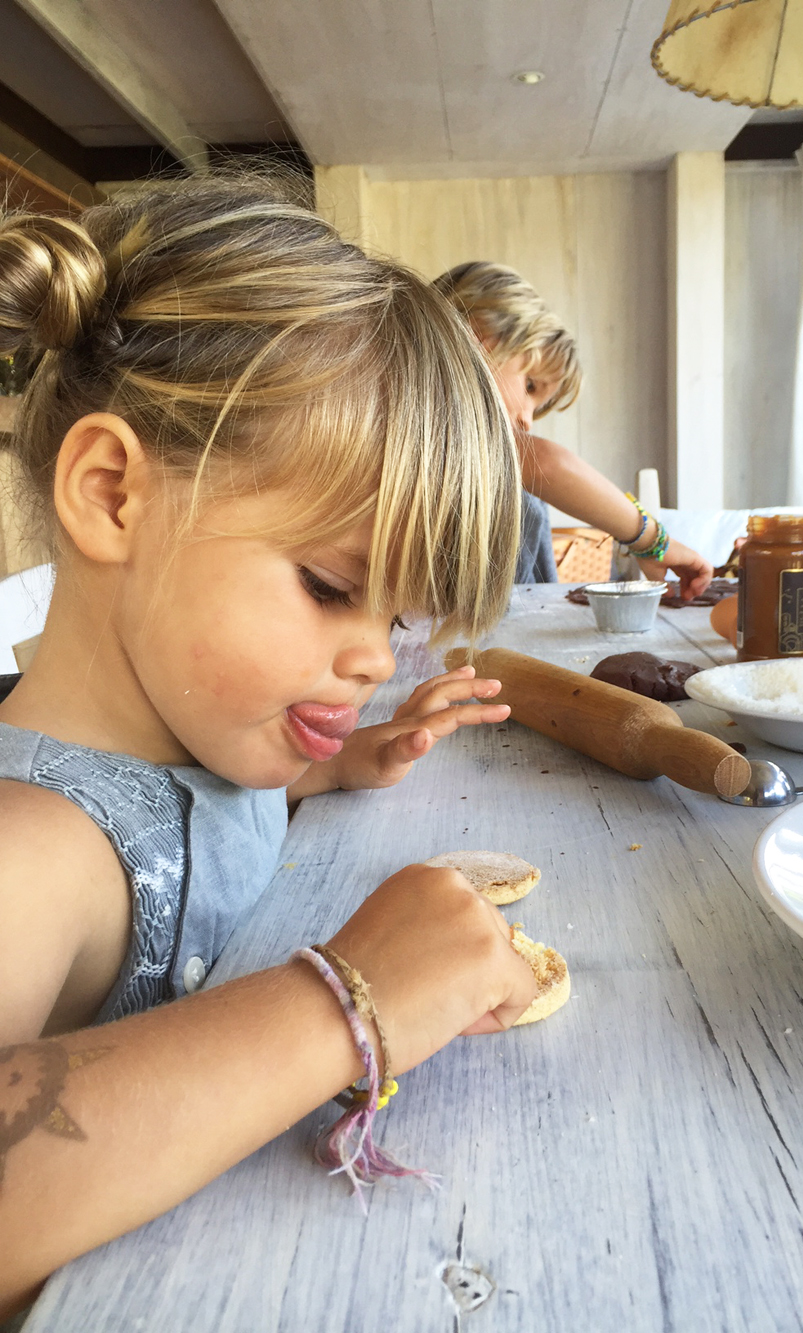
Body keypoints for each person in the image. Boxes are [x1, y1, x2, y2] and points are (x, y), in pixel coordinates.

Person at [0, 179, 539, 1319]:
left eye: (393, 621)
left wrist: (331, 766)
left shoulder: (185, 734)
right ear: (113, 495)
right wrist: (343, 1004)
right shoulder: (31, 849)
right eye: (331, 587)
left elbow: (198, 823)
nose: (374, 657)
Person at [433, 261, 714, 597]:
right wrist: (653, 542)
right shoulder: (425, 420)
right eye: (530, 387)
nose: (527, 419)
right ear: (478, 338)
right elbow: (547, 462)